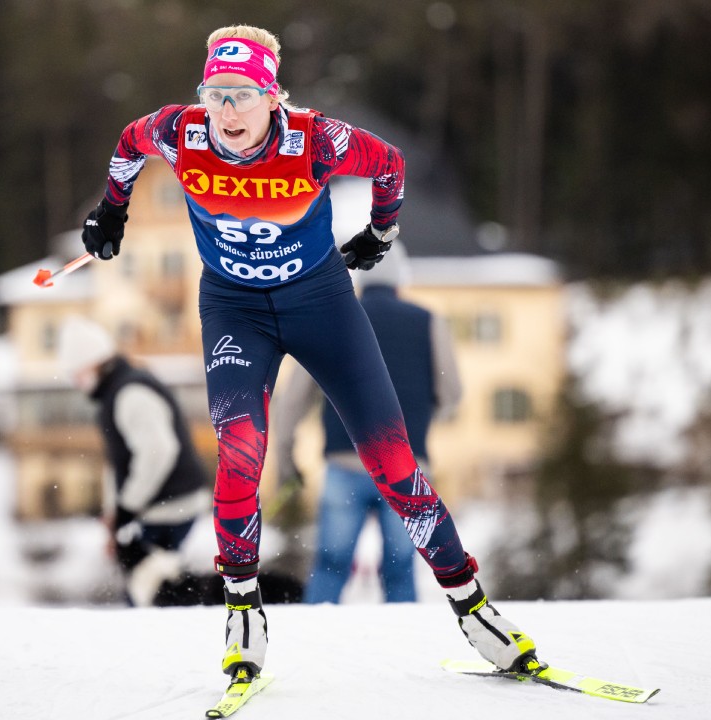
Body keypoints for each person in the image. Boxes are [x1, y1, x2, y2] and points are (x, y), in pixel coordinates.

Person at [79, 24, 540, 683]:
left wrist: (380, 230)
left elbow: (391, 165)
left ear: (275, 98)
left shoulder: (317, 139)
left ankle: (472, 606)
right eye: (215, 94)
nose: (227, 112)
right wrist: (111, 210)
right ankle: (243, 608)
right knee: (240, 452)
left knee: (392, 462)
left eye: (242, 95)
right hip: (235, 309)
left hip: (321, 305)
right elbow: (128, 144)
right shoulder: (180, 132)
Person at [272, 242, 462, 604]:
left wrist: (285, 455)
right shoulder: (427, 321)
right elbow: (451, 392)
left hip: (345, 461)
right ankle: (402, 649)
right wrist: (420, 417)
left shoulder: (332, 319)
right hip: (407, 466)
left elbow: (293, 400)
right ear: (400, 278)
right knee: (401, 569)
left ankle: (314, 643)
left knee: (330, 566)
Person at [57, 315, 211, 606]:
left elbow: (159, 451)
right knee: (154, 593)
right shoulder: (117, 392)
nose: (76, 384)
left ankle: (156, 646)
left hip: (170, 509)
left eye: (76, 374)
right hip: (159, 507)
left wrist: (127, 507)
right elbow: (121, 463)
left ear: (95, 363)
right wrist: (116, 513)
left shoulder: (131, 393)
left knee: (150, 596)